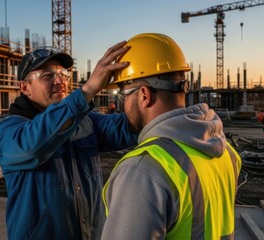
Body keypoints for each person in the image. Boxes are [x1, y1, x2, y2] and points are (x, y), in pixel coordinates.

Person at [101, 33, 242, 239]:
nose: (123, 104)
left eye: (123, 94)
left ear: (144, 95)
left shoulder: (143, 170)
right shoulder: (225, 151)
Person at [0, 43, 137, 239]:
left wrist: (143, 91)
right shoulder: (9, 131)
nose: (60, 81)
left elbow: (129, 127)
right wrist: (88, 90)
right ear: (24, 87)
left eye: (63, 74)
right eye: (47, 76)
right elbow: (34, 146)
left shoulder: (85, 123)